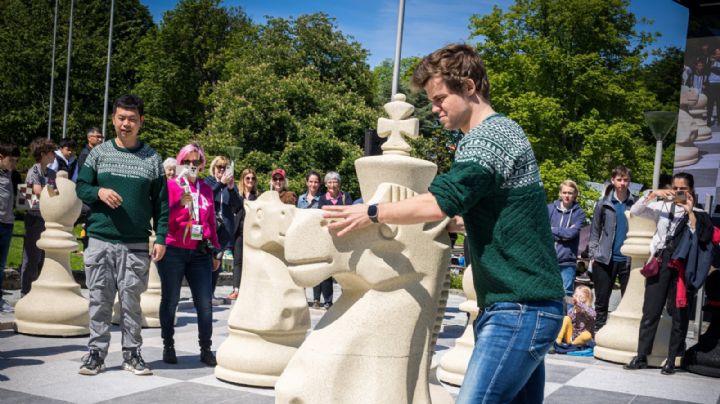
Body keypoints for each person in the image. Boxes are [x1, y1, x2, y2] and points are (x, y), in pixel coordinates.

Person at [322, 44, 564, 403]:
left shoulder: (486, 139)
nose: (434, 109)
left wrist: (371, 212)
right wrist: (462, 222)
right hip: (525, 305)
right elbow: (503, 212)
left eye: (439, 99)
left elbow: (438, 202)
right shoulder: (503, 132)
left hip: (519, 308)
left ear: (469, 86)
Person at [76, 94, 168, 376]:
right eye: (120, 118)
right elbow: (81, 186)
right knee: (99, 300)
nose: (125, 124)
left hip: (136, 243)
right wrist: (99, 192)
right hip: (100, 239)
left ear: (141, 122)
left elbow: (162, 204)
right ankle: (96, 354)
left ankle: (132, 354)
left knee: (131, 302)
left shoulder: (152, 159)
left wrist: (162, 237)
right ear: (113, 120)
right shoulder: (99, 153)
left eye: (131, 119)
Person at [625, 172, 713, 375]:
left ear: (691, 190)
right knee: (651, 310)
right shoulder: (661, 207)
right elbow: (637, 211)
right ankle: (641, 356)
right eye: (675, 188)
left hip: (682, 267)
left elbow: (700, 237)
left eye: (683, 189)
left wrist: (689, 211)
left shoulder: (699, 213)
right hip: (661, 261)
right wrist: (653, 193)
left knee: (679, 314)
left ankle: (672, 359)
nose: (678, 192)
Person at [158, 142, 220, 366]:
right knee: (171, 299)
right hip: (174, 248)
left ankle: (206, 348)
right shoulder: (172, 186)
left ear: (202, 164)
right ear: (179, 162)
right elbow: (163, 217)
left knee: (204, 302)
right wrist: (177, 205)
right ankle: (168, 345)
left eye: (196, 162)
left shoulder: (206, 189)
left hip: (199, 251)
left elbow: (211, 221)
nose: (192, 165)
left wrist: (215, 249)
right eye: (187, 162)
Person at [588, 166, 636, 331]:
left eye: (626, 180)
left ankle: (623, 333)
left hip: (627, 260)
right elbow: (595, 231)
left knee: (628, 302)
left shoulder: (635, 204)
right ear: (613, 180)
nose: (622, 183)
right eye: (619, 179)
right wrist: (593, 253)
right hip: (605, 258)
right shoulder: (603, 203)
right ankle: (598, 332)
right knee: (601, 301)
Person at [20, 138, 56, 295]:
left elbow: (54, 193)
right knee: (32, 257)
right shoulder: (34, 171)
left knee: (42, 258)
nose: (54, 155)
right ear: (43, 154)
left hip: (47, 217)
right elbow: (38, 191)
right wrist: (49, 189)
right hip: (35, 217)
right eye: (51, 152)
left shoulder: (51, 172)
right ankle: (26, 291)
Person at [204, 155, 241, 300]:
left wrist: (231, 189)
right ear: (213, 168)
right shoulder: (208, 182)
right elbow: (206, 196)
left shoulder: (230, 185)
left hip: (224, 227)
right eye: (219, 167)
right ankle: (204, 292)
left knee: (218, 260)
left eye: (225, 167)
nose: (222, 170)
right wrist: (220, 183)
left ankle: (210, 293)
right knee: (207, 258)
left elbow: (237, 205)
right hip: (209, 226)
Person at [547, 180, 586, 311]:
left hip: (567, 261)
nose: (567, 195)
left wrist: (552, 229)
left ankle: (569, 321)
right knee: (547, 292)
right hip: (549, 259)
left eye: (570, 193)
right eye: (564, 192)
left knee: (567, 293)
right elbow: (542, 231)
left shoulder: (579, 213)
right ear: (560, 193)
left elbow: (572, 234)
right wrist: (564, 231)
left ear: (575, 195)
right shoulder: (549, 209)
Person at [315, 171, 352, 309]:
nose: (332, 184)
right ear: (325, 184)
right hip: (328, 236)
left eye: (335, 181)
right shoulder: (322, 199)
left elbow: (348, 212)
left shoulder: (345, 197)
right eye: (329, 182)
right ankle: (328, 301)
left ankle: (346, 297)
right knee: (327, 269)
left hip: (343, 235)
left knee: (344, 268)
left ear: (339, 183)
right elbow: (322, 216)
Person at [228, 168, 259, 300]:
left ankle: (250, 289)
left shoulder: (257, 197)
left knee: (252, 262)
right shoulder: (236, 194)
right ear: (243, 180)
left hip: (252, 234)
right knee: (238, 262)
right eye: (248, 178)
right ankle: (236, 289)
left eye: (252, 178)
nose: (250, 181)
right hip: (238, 233)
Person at [0, 142, 20, 312]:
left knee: (1, 265)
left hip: (7, 223)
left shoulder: (10, 173)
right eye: (11, 160)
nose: (14, 165)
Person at [707, 47, 720, 127]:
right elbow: (708, 68)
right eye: (717, 53)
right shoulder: (711, 60)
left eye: (719, 53)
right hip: (711, 83)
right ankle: (708, 120)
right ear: (715, 53)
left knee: (719, 103)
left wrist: (715, 69)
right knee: (710, 103)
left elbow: (716, 70)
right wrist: (712, 62)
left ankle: (719, 121)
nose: (718, 54)